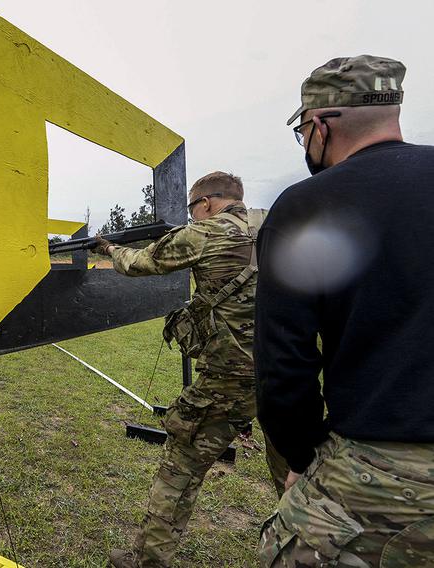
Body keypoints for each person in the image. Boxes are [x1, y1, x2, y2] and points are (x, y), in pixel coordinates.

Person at [255, 55, 434, 567]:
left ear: (318, 125)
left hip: (379, 467)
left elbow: (283, 366)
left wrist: (302, 459)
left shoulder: (306, 207)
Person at [101, 172, 288, 568]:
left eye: (192, 208)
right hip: (288, 371)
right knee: (293, 473)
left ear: (204, 203)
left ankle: (148, 560)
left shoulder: (203, 233)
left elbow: (138, 263)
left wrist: (111, 248)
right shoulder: (278, 221)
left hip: (228, 378)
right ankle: (309, 551)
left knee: (181, 469)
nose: (193, 214)